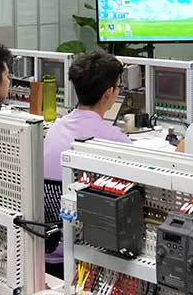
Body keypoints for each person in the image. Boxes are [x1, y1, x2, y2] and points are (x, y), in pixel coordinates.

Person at [43, 50, 131, 277]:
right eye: (119, 87)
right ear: (109, 93)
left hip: (50, 246)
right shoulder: (113, 139)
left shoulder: (55, 128)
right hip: (86, 255)